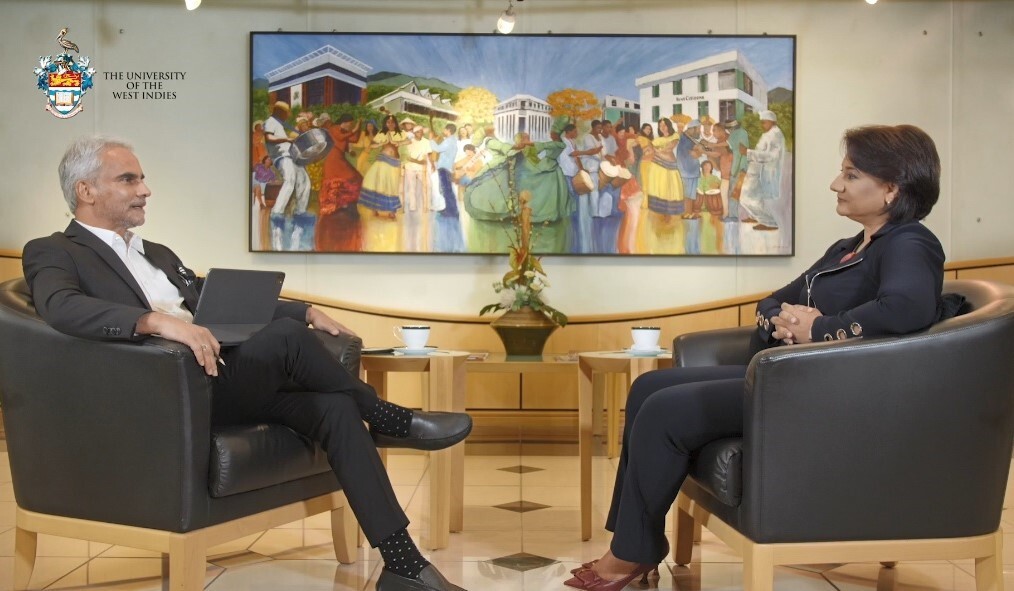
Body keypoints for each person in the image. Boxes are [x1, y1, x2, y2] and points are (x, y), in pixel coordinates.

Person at [23, 135, 473, 591]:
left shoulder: (155, 252)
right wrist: (155, 321)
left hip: (221, 380)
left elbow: (213, 304)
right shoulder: (53, 250)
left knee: (334, 408)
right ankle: (388, 417)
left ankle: (403, 566)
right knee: (287, 340)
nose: (145, 189)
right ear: (86, 191)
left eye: (142, 178)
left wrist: (303, 310)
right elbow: (62, 307)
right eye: (129, 179)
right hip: (165, 392)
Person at [565, 124, 947, 591]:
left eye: (850, 175)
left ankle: (630, 554)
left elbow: (907, 308)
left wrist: (816, 328)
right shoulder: (848, 247)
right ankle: (635, 543)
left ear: (891, 188)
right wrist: (783, 321)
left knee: (667, 410)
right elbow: (772, 300)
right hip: (788, 378)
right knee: (648, 387)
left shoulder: (911, 243)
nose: (835, 184)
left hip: (829, 393)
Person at [739, 110, 786, 231]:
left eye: (764, 123)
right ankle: (757, 217)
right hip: (756, 171)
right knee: (753, 196)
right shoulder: (768, 133)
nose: (762, 125)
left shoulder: (775, 134)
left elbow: (772, 156)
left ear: (772, 122)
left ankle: (769, 222)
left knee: (746, 196)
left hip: (764, 172)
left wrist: (748, 152)